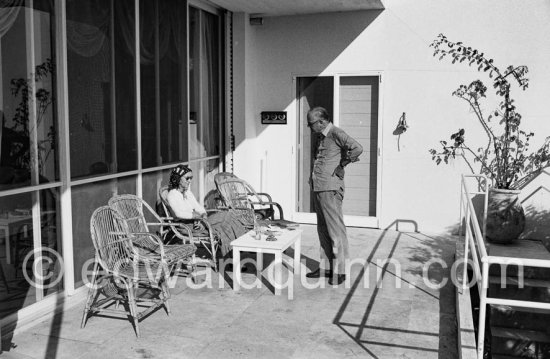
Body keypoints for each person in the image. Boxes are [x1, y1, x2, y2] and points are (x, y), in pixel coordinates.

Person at [305, 107, 363, 285]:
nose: (309, 127)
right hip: (319, 186)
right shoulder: (322, 137)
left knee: (335, 230)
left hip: (330, 188)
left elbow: (357, 148)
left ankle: (341, 271)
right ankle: (326, 268)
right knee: (323, 229)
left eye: (311, 124)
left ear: (321, 121)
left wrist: (342, 165)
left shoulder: (337, 133)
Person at [165, 164, 248, 260]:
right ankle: (240, 246)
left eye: (191, 178)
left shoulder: (187, 193)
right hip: (186, 226)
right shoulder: (172, 195)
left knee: (227, 222)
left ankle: (232, 256)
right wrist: (196, 217)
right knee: (228, 215)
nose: (190, 181)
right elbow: (178, 213)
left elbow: (199, 208)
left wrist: (203, 215)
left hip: (198, 222)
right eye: (187, 178)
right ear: (178, 179)